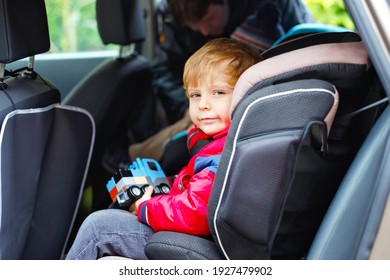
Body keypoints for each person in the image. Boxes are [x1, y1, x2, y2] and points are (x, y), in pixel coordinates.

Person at [66, 38, 262, 259]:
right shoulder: (216, 143)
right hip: (192, 236)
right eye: (195, 95)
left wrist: (147, 207)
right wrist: (169, 185)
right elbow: (198, 189)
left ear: (245, 97)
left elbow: (195, 212)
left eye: (218, 93)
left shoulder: (221, 154)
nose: (203, 104)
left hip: (197, 246)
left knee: (98, 228)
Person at [102, 0, 315, 174]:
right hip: (200, 96)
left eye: (209, 19)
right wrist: (187, 102)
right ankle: (136, 154)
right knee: (197, 113)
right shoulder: (171, 19)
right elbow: (164, 70)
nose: (204, 31)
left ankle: (134, 155)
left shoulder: (264, 14)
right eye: (194, 27)